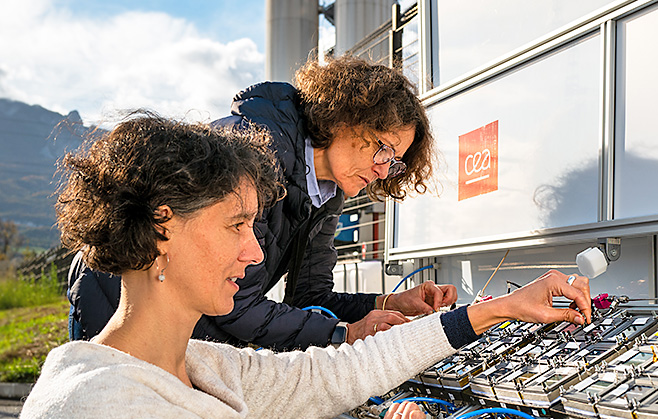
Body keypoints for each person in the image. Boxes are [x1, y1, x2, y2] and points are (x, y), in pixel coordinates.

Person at [10, 114, 592, 419]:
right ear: (163, 229)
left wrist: (498, 310)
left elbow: (330, 373)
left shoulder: (192, 366)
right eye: (237, 224)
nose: (256, 251)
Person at [67, 55, 457, 350]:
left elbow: (310, 298)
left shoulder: (326, 192)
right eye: (383, 148)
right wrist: (345, 333)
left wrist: (389, 302)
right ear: (345, 118)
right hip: (120, 297)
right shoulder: (255, 154)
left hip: (191, 322)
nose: (384, 168)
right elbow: (238, 306)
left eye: (395, 161)